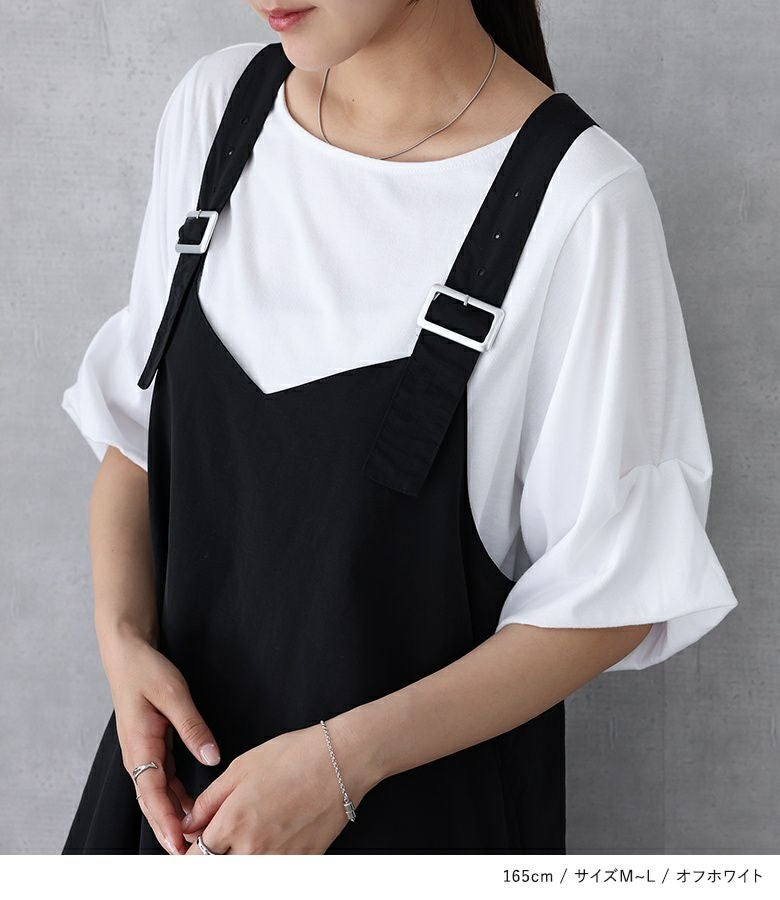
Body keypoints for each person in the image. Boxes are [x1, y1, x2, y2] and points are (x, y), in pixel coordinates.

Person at [60, 0, 739, 855]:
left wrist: (343, 764)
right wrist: (122, 642)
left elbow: (614, 598)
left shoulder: (579, 203)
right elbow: (139, 437)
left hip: (416, 832)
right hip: (168, 814)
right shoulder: (217, 111)